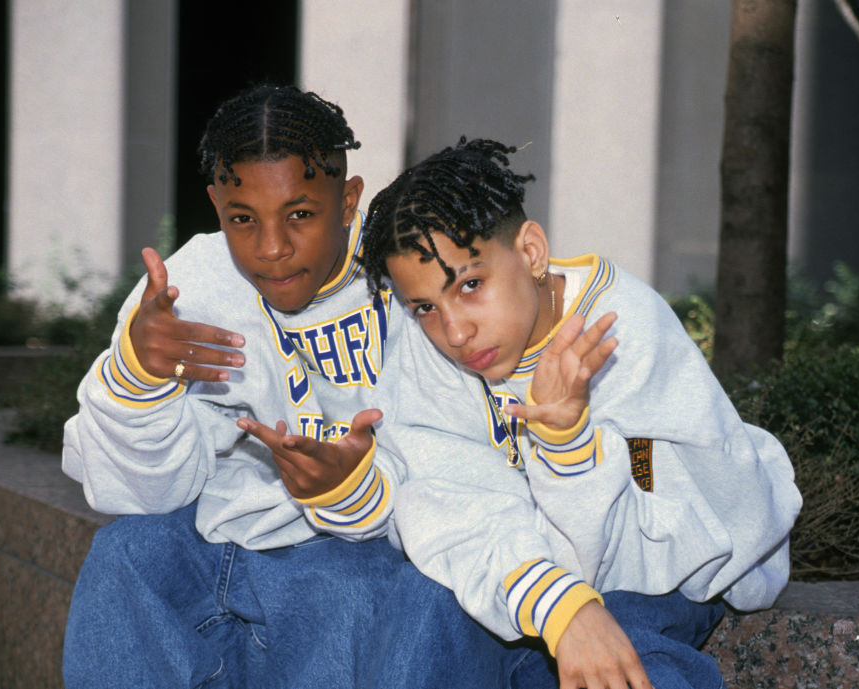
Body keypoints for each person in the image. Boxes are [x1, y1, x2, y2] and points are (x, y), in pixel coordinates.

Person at [60, 87, 519, 689]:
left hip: (367, 539)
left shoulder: (405, 278)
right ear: (216, 206)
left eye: (300, 214)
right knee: (126, 556)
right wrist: (135, 380)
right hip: (220, 531)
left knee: (355, 592)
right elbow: (138, 493)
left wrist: (348, 488)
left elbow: (459, 461)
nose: (270, 248)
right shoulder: (186, 290)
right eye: (241, 219)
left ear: (349, 199)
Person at [355, 137, 804, 689]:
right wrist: (558, 603)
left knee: (629, 652)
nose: (454, 331)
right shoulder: (427, 353)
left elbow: (676, 550)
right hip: (525, 585)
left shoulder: (618, 336)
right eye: (425, 306)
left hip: (652, 579)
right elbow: (442, 503)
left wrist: (568, 444)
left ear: (532, 252)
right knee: (420, 604)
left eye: (471, 285)